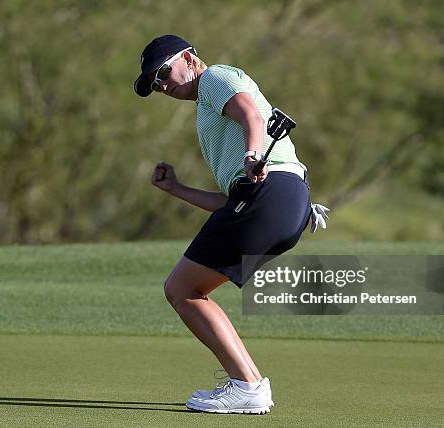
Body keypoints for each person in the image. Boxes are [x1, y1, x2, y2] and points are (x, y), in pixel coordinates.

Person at [134, 35, 328, 414]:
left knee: (182, 288)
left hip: (273, 195)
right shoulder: (206, 111)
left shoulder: (215, 77)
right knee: (186, 288)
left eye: (163, 73)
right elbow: (230, 201)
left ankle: (247, 385)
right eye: (154, 84)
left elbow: (250, 114)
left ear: (188, 58)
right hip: (280, 202)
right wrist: (176, 188)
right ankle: (250, 384)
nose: (161, 86)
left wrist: (254, 153)